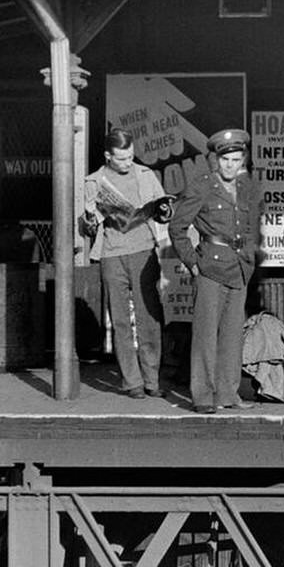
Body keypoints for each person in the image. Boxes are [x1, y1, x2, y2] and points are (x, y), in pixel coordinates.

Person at [168, 128, 261, 414]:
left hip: (239, 268)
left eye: (235, 159)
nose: (230, 165)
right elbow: (177, 227)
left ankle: (228, 394)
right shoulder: (201, 186)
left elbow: (250, 226)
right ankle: (204, 397)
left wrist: (248, 255)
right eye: (225, 160)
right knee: (206, 336)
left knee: (233, 336)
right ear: (215, 160)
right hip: (210, 266)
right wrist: (192, 262)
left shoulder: (248, 188)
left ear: (243, 159)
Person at [81, 127, 169, 399]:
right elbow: (86, 228)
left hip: (144, 251)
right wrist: (90, 219)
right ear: (108, 156)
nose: (127, 162)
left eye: (130, 156)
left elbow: (163, 214)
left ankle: (152, 379)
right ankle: (132, 382)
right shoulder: (94, 182)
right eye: (121, 158)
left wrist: (164, 210)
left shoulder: (146, 174)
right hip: (112, 254)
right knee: (119, 320)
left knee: (149, 318)